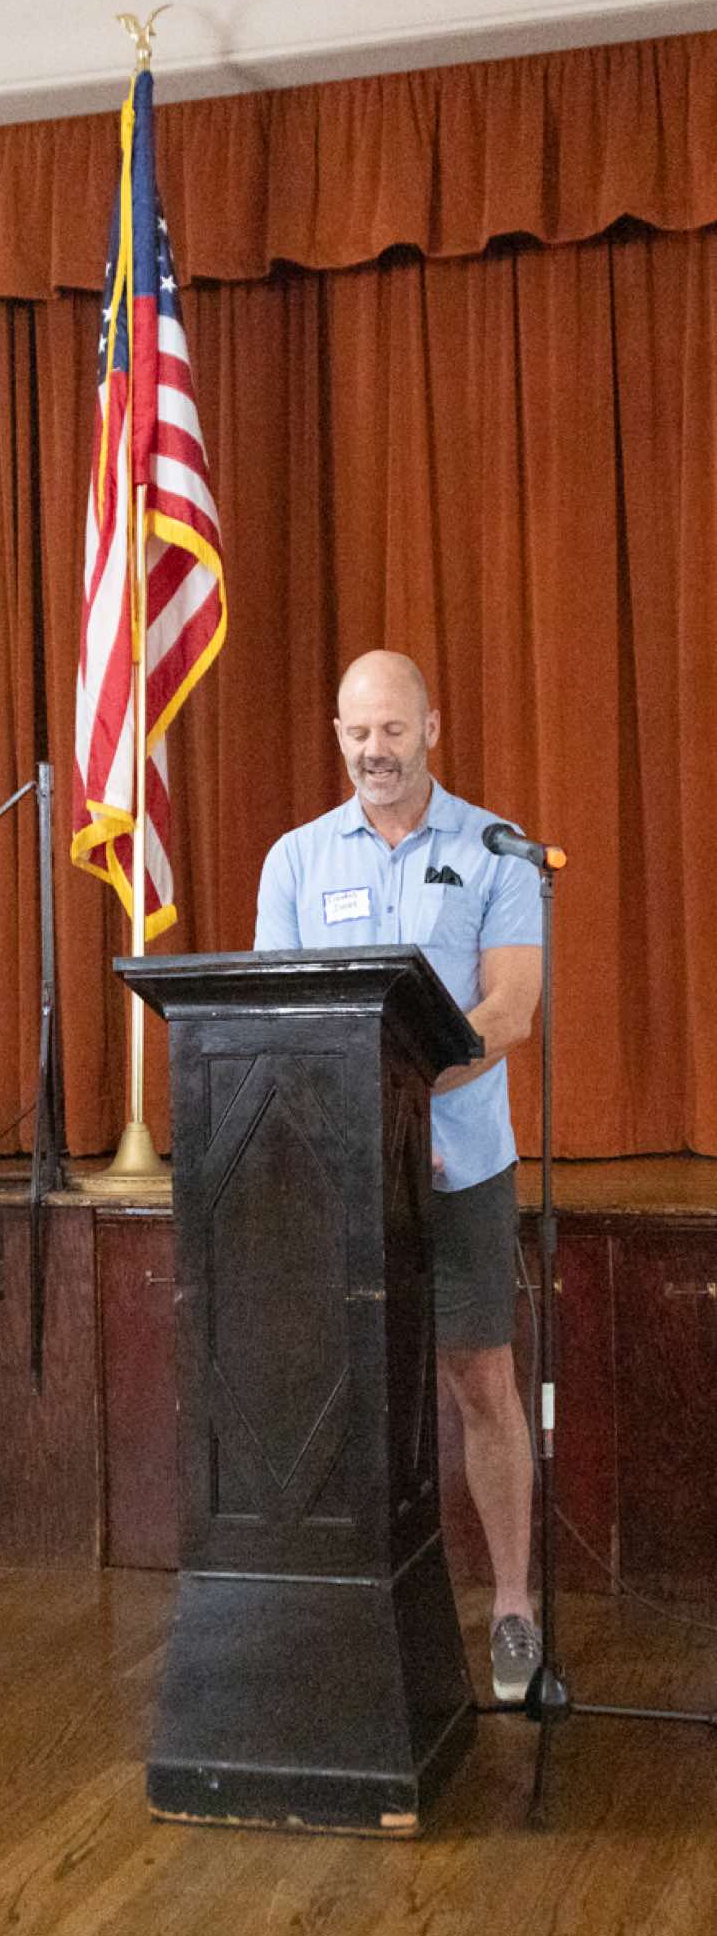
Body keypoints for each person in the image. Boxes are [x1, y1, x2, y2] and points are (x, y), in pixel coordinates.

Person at [253, 650, 544, 1703]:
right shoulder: (293, 861)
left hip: (461, 1167)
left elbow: (508, 1010)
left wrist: (408, 1101)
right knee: (335, 1386)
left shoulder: (496, 850)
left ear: (431, 728)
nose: (374, 750)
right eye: (356, 731)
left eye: (392, 728)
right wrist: (370, 1123)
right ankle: (345, 1610)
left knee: (481, 1383)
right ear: (337, 735)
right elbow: (280, 1021)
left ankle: (511, 1607)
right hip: (336, 1173)